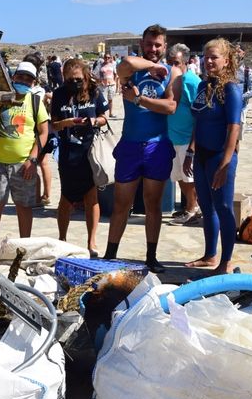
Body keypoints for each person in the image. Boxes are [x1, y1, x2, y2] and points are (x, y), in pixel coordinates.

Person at [103, 24, 177, 273]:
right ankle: (110, 255)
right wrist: (151, 66)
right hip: (131, 145)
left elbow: (170, 107)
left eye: (158, 45)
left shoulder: (172, 73)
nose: (154, 49)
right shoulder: (134, 69)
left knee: (153, 203)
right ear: (142, 45)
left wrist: (138, 99)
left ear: (165, 47)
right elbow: (123, 66)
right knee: (121, 202)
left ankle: (151, 256)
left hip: (157, 145)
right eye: (149, 44)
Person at [182, 39, 243, 274]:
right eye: (205, 57)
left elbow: (233, 128)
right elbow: (198, 121)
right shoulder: (202, 87)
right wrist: (190, 150)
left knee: (225, 207)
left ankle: (226, 261)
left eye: (214, 57)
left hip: (220, 157)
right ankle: (210, 255)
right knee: (206, 207)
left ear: (226, 60)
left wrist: (226, 163)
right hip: (201, 156)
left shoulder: (231, 89)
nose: (208, 61)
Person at [0, 61, 49, 240]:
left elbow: (43, 132)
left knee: (24, 207)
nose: (23, 81)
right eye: (20, 77)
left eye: (28, 79)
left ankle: (24, 247)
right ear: (13, 77)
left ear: (34, 83)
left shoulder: (34, 101)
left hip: (23, 165)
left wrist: (32, 160)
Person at [51, 58, 109, 256]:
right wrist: (66, 122)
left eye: (77, 79)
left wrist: (94, 121)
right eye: (69, 79)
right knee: (66, 197)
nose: (73, 83)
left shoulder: (94, 91)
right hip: (68, 152)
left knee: (91, 197)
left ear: (84, 76)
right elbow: (54, 124)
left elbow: (105, 116)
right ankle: (62, 238)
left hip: (89, 151)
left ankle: (91, 242)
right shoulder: (59, 94)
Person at [165, 43, 202, 226]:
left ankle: (192, 209)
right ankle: (188, 205)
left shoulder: (192, 81)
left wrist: (192, 147)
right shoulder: (170, 79)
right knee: (179, 176)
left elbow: (199, 114)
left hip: (186, 138)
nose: (173, 67)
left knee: (189, 177)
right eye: (170, 62)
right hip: (172, 137)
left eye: (176, 62)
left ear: (185, 62)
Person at [23, 52, 54, 206]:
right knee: (44, 162)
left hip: (32, 128)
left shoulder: (27, 89)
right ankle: (47, 195)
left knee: (34, 161)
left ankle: (35, 197)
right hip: (44, 126)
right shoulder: (43, 87)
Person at [97, 52, 119, 119]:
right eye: (106, 57)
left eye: (108, 57)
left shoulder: (112, 65)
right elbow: (97, 75)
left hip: (111, 85)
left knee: (110, 99)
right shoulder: (100, 65)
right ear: (103, 58)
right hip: (103, 85)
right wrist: (100, 81)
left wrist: (114, 81)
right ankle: (103, 114)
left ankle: (110, 113)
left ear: (110, 58)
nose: (107, 58)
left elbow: (115, 74)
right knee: (103, 100)